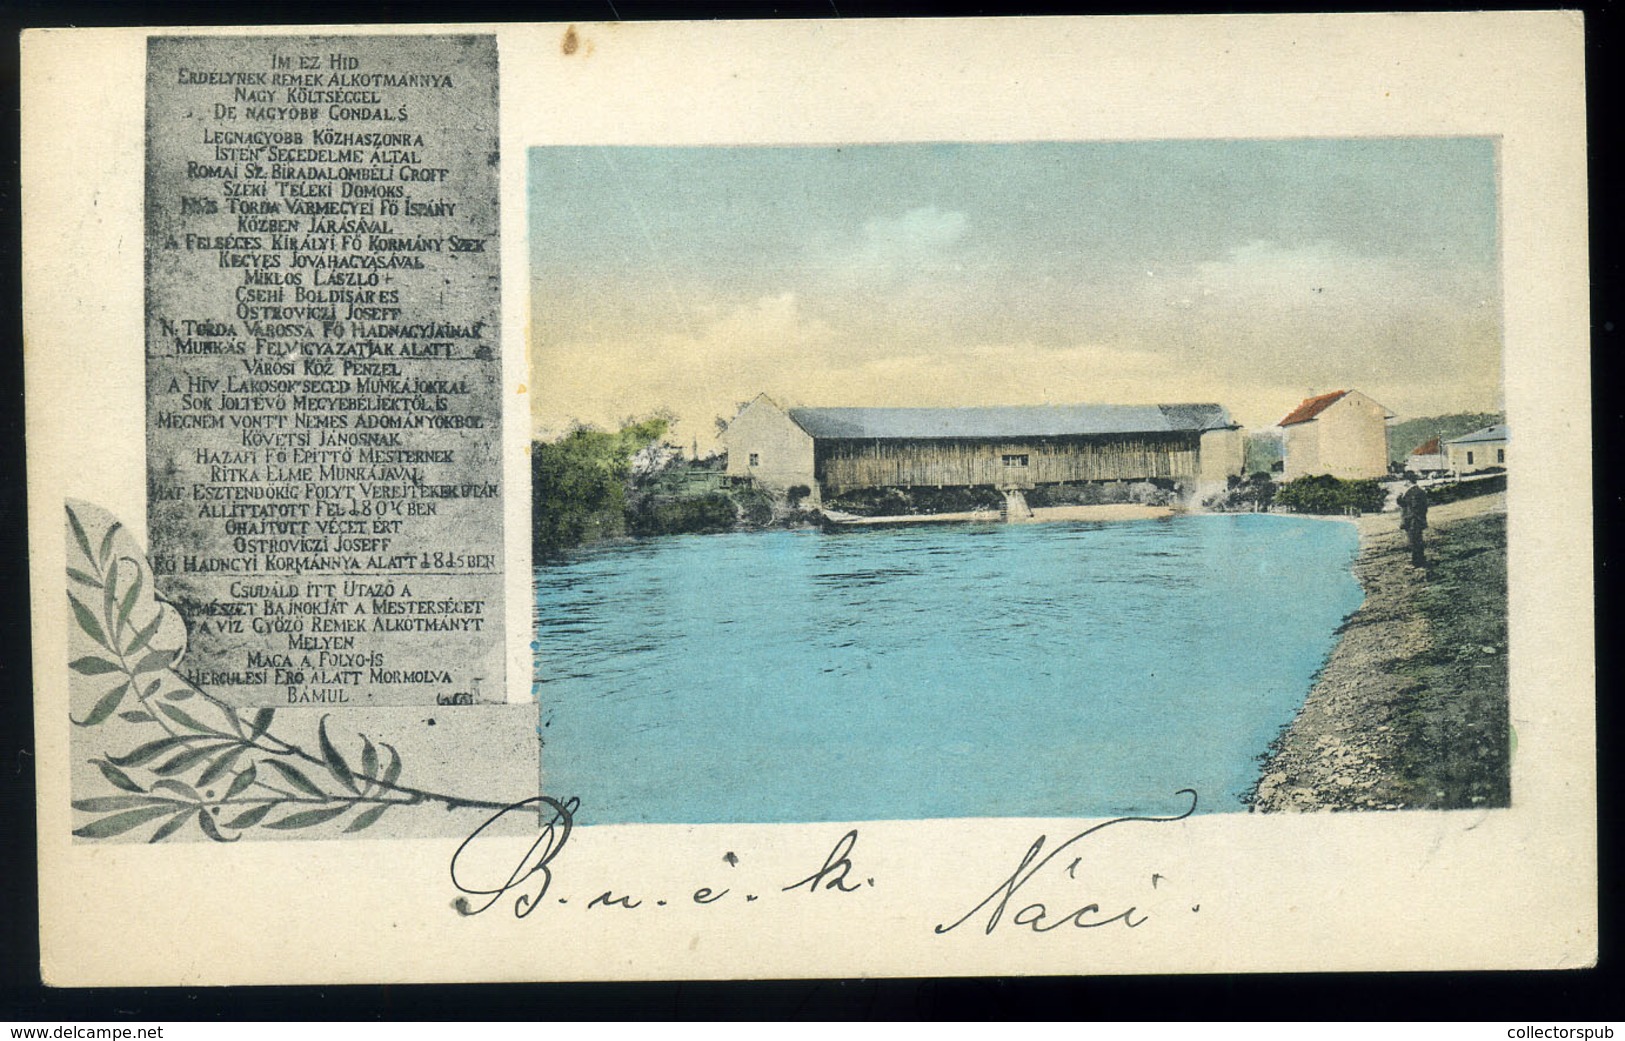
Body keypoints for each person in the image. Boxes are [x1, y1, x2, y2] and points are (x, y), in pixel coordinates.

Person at [1397, 478, 1429, 568]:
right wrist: (1399, 498)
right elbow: (1409, 505)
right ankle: (1419, 560)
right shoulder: (1418, 491)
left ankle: (1417, 562)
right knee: (1416, 540)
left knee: (1415, 541)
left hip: (1413, 520)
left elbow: (1413, 507)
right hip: (1416, 520)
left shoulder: (1412, 492)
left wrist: (1409, 519)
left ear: (1408, 481)